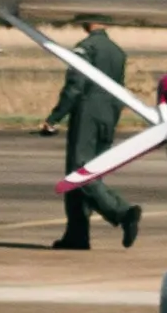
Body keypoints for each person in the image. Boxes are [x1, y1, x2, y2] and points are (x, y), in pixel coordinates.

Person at [46, 21, 145, 253]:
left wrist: (54, 117)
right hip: (110, 113)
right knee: (91, 171)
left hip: (88, 112)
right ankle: (76, 235)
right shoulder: (117, 51)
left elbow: (75, 85)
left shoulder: (86, 47)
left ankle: (122, 212)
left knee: (79, 172)